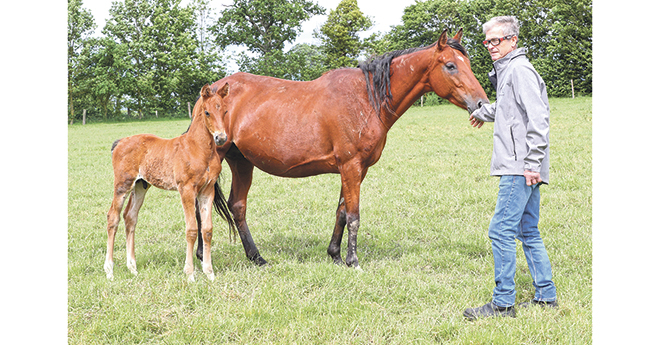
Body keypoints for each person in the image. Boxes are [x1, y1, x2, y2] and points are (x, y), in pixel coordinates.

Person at [463, 16, 557, 320]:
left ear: (512, 40)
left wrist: (532, 164)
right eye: (487, 41)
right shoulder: (508, 71)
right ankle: (546, 297)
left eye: (496, 40)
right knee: (527, 231)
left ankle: (503, 304)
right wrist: (483, 112)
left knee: (500, 231)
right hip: (523, 164)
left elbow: (538, 118)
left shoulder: (519, 70)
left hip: (520, 166)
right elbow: (508, 108)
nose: (490, 46)